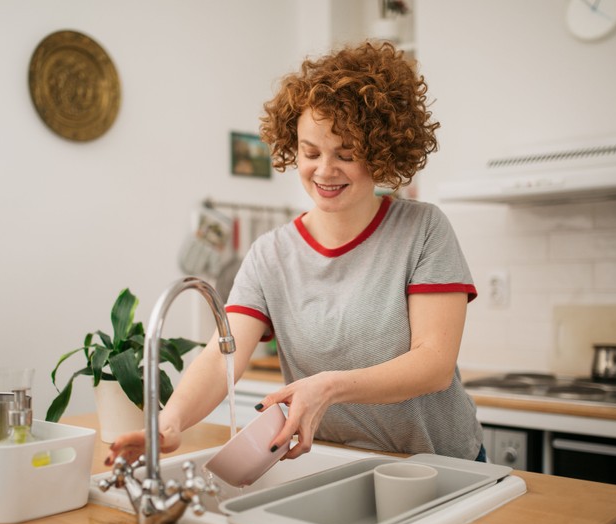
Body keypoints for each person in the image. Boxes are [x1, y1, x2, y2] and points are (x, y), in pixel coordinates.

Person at [106, 41, 484, 467]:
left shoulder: (422, 229)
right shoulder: (270, 255)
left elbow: (433, 364)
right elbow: (220, 358)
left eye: (346, 154)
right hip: (337, 463)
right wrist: (169, 421)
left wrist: (327, 386)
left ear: (380, 154)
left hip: (441, 465)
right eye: (310, 152)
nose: (324, 170)